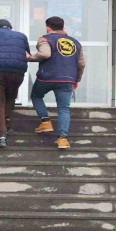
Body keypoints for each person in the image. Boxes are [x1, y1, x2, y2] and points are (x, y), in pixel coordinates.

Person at [28, 16, 85, 150]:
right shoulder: (75, 43)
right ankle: (62, 139)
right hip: (67, 79)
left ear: (48, 27)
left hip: (47, 77)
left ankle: (45, 121)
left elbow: (45, 54)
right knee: (64, 108)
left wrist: (30, 57)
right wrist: (76, 79)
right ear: (63, 27)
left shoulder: (45, 39)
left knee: (36, 96)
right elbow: (81, 64)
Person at [0, 19, 30, 148]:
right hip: (17, 71)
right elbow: (27, 54)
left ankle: (1, 136)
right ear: (10, 27)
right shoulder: (21, 36)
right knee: (10, 99)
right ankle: (7, 126)